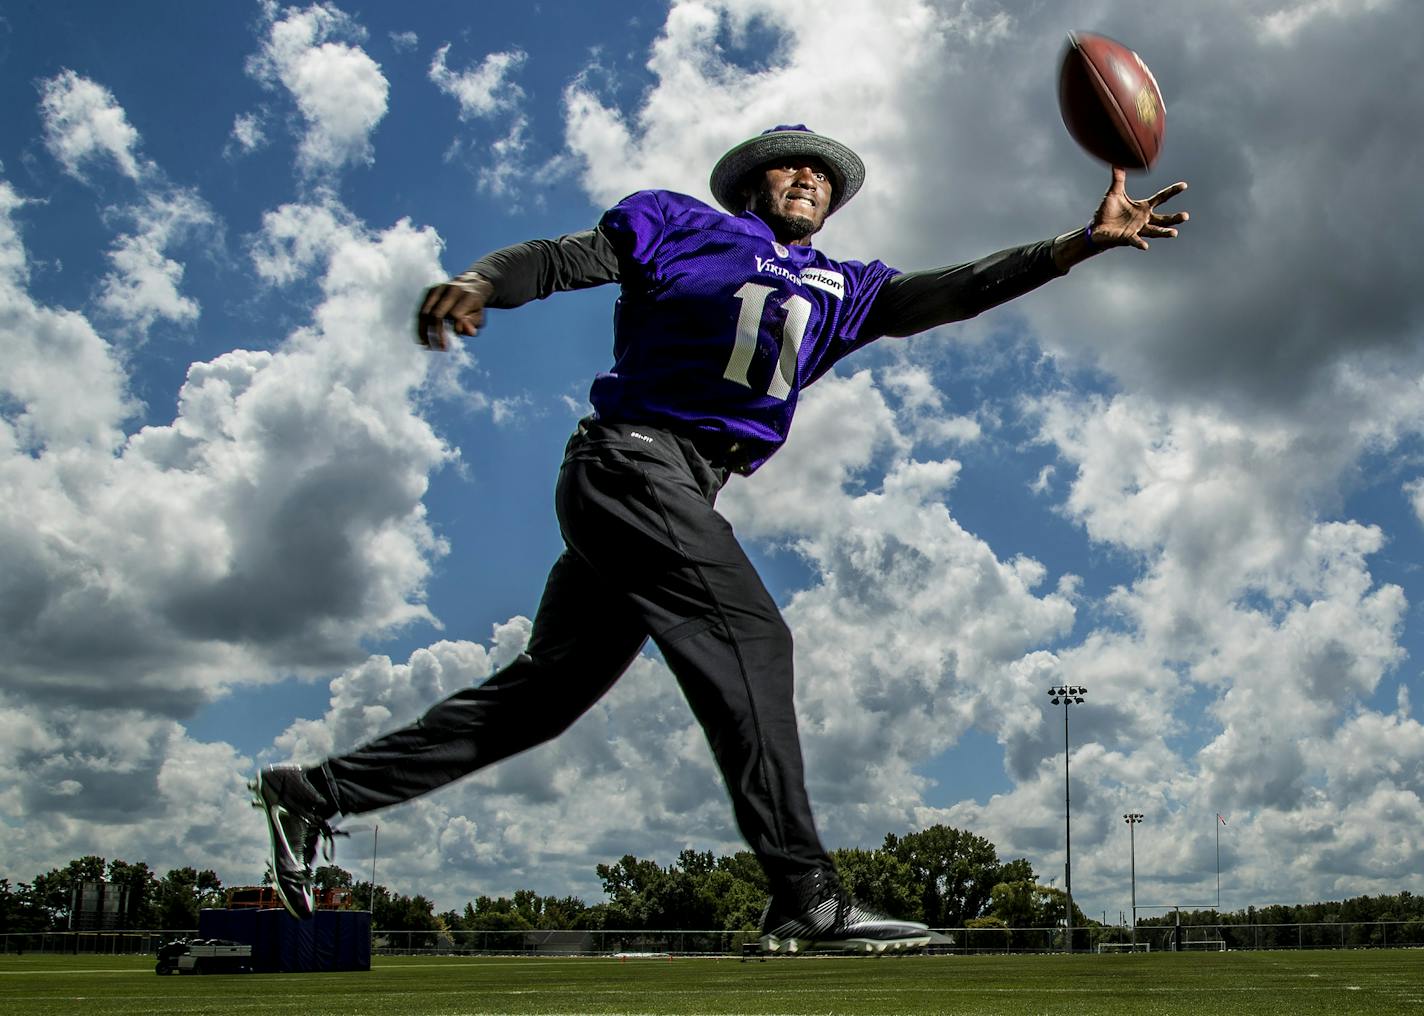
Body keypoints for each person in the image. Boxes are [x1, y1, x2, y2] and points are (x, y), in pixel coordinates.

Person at [253, 124, 1188, 952]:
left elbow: (952, 292)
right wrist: (482, 283)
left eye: (823, 175)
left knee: (543, 698)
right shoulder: (684, 224)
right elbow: (562, 256)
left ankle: (319, 792)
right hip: (631, 462)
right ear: (750, 184)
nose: (807, 178)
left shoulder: (845, 287)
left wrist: (1077, 246)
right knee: (753, 636)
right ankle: (806, 896)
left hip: (682, 486)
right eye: (788, 167)